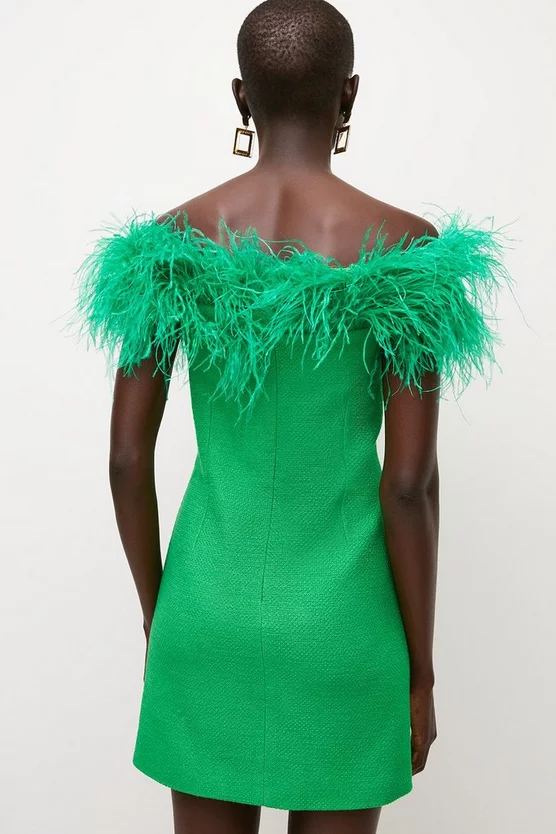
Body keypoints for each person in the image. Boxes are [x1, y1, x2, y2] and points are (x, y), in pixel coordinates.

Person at [72, 1, 511, 832]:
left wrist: (161, 614)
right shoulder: (407, 251)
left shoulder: (172, 245)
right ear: (349, 95)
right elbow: (408, 485)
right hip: (344, 630)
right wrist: (420, 669)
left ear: (242, 97)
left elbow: (126, 460)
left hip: (205, 613)